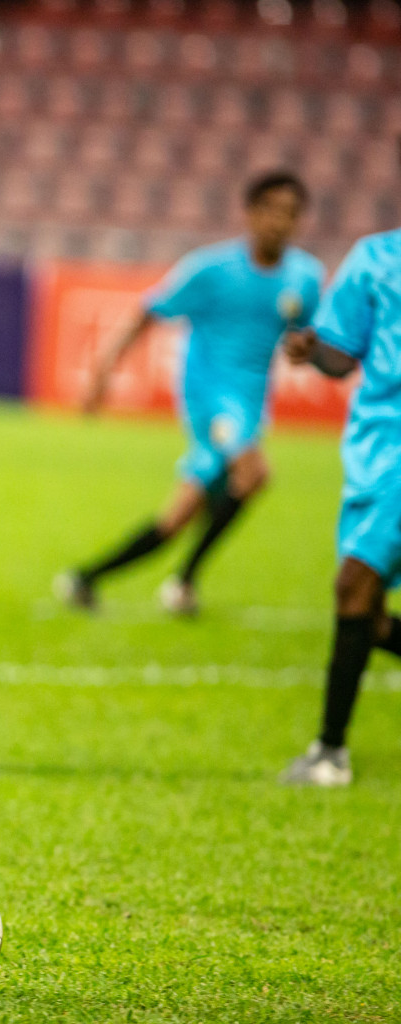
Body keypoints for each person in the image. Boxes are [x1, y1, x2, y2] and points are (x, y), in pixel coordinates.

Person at [55, 172, 323, 615]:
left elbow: (312, 340)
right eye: (272, 210)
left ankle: (85, 579)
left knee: (178, 517)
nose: (280, 222)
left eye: (290, 214)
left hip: (250, 407)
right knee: (254, 474)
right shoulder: (211, 269)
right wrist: (102, 370)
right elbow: (147, 312)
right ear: (250, 213)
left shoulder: (305, 279)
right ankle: (183, 583)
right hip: (210, 399)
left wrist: (308, 350)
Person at [280, 227, 401, 787]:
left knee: (352, 584)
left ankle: (330, 753)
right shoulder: (376, 258)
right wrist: (311, 351)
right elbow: (341, 352)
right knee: (368, 614)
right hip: (376, 448)